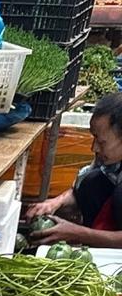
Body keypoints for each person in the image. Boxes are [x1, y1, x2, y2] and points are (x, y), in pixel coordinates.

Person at [26, 92, 122, 246]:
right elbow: (81, 185)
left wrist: (78, 234)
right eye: (94, 138)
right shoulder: (111, 159)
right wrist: (56, 202)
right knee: (92, 182)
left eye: (101, 142)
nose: (94, 148)